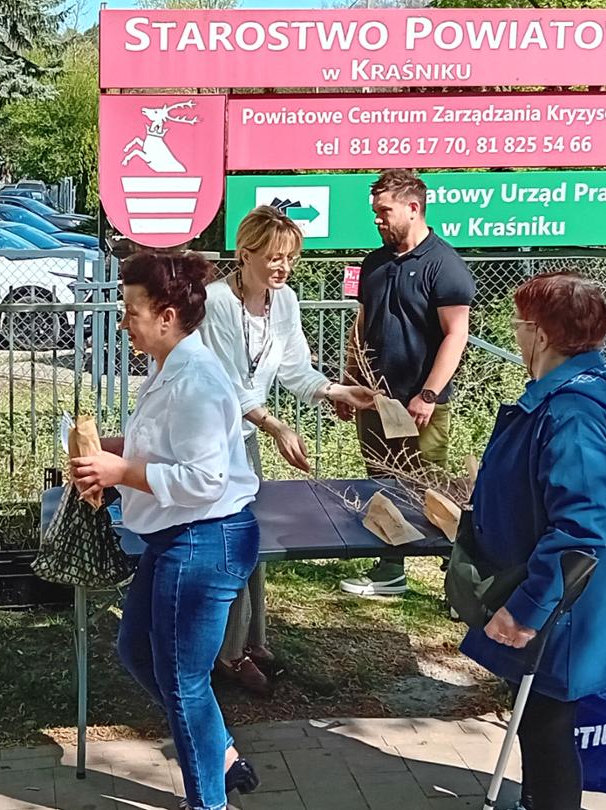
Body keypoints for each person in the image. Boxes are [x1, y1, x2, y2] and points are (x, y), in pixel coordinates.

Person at [70, 250, 263, 810]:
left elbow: (204, 479)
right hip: (177, 537)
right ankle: (220, 753)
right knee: (137, 651)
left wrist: (121, 471)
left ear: (168, 314)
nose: (125, 321)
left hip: (206, 538)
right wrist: (105, 453)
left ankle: (208, 800)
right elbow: (164, 450)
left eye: (132, 310)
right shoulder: (167, 368)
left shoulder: (197, 380)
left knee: (184, 683)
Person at [460, 273, 606, 810]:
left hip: (563, 605)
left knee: (544, 727)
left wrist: (526, 612)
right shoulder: (569, 396)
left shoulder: (575, 412)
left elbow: (579, 526)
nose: (516, 335)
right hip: (561, 597)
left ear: (539, 334)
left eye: (519, 326)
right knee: (540, 721)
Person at [197, 207, 377, 693]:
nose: (283, 268)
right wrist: (277, 426)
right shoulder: (216, 303)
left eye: (290, 259)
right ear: (245, 253)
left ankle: (251, 642)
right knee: (231, 544)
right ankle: (226, 655)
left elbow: (296, 369)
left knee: (250, 540)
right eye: (274, 258)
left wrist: (338, 392)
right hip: (209, 441)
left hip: (246, 438)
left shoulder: (286, 300)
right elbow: (229, 385)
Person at [337, 169, 476, 598]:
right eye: (375, 212)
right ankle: (390, 570)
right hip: (376, 400)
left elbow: (457, 333)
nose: (377, 220)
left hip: (423, 403)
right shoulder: (374, 262)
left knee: (428, 490)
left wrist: (429, 394)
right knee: (382, 482)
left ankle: (463, 585)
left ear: (413, 209)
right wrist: (347, 381)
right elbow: (362, 324)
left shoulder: (445, 265)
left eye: (385, 211)